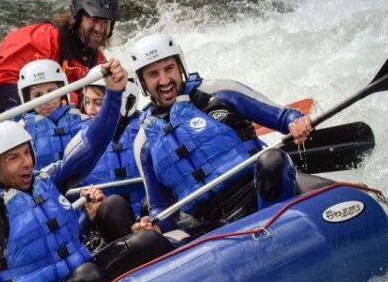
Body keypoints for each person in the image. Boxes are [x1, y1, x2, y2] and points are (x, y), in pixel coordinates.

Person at [0, 60, 172, 282]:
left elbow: (94, 145)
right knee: (89, 275)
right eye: (13, 158)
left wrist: (114, 93)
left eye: (26, 153)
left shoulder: (49, 180)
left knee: (147, 241)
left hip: (82, 273)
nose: (26, 163)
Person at [128, 33, 314, 234]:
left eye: (169, 68)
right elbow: (160, 208)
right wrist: (153, 223)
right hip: (209, 226)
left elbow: (283, 116)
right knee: (145, 239)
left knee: (273, 160)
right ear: (142, 82)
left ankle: (282, 229)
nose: (164, 80)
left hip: (259, 195)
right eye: (153, 74)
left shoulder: (219, 93)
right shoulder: (144, 142)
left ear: (180, 66)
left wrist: (295, 121)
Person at [0, 0, 119, 116]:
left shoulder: (97, 60)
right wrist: (35, 117)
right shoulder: (43, 39)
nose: (99, 29)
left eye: (106, 22)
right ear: (77, 16)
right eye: (94, 20)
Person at [78, 78, 146, 219]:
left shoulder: (147, 129)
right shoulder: (80, 142)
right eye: (86, 101)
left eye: (98, 103)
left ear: (125, 102)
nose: (90, 110)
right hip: (110, 221)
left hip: (150, 214)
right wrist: (92, 205)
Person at [16, 59, 86, 170]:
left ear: (62, 91)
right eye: (37, 95)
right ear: (27, 98)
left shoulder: (81, 120)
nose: (46, 100)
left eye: (51, 91)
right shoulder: (21, 130)